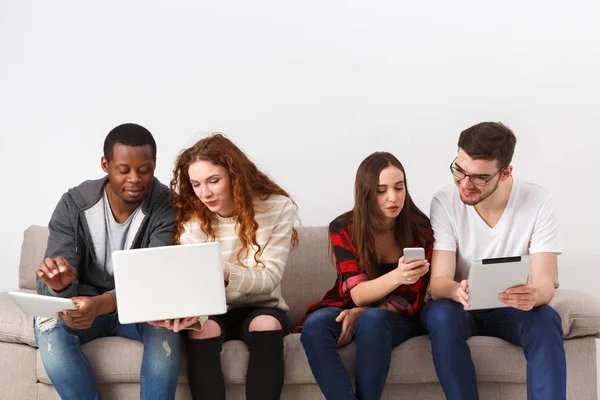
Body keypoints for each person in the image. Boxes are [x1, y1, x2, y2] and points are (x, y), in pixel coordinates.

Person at [34, 123, 182, 400]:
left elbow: (154, 279)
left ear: (154, 165)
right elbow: (52, 282)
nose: (135, 179)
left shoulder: (167, 206)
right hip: (84, 305)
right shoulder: (73, 204)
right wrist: (60, 288)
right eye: (123, 170)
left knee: (166, 327)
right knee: (48, 324)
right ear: (105, 164)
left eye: (144, 169)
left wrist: (101, 303)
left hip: (141, 308)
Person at [422, 122, 565, 400]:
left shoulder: (539, 201)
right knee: (440, 314)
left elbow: (545, 285)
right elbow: (438, 284)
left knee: (546, 319)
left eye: (479, 178)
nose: (465, 184)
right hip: (457, 307)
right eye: (459, 170)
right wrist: (457, 290)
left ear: (506, 172)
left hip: (509, 308)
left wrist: (533, 295)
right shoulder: (444, 200)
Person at [165, 134, 297, 400]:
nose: (205, 193)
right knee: (203, 330)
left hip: (262, 305)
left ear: (235, 176)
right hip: (212, 307)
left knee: (266, 325)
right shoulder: (192, 214)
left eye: (214, 181)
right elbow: (190, 280)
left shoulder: (277, 207)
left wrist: (224, 272)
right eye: (197, 184)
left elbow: (269, 278)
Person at [299, 152, 433, 400]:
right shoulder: (343, 227)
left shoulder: (421, 227)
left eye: (399, 187)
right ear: (366, 192)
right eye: (381, 190)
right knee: (315, 326)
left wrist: (366, 311)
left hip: (399, 315)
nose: (393, 198)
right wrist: (398, 275)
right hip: (349, 304)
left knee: (373, 320)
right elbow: (358, 294)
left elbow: (411, 298)